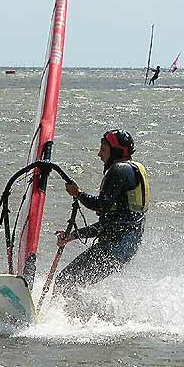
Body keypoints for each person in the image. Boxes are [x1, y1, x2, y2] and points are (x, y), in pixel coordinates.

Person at [53, 129, 149, 301]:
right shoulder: (134, 169)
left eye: (103, 150)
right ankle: (78, 318)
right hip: (123, 247)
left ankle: (68, 322)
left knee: (64, 281)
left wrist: (78, 193)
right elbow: (111, 223)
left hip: (114, 249)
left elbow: (100, 205)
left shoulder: (119, 169)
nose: (99, 154)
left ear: (116, 152)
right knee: (71, 282)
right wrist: (73, 236)